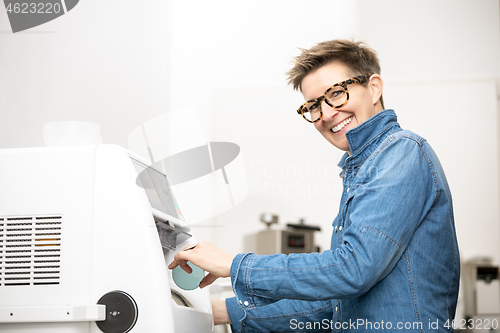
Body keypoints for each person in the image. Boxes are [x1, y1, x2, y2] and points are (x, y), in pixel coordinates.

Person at [168, 39, 460, 332]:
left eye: (336, 93)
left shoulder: (401, 152)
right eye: (314, 105)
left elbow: (352, 269)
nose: (327, 113)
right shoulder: (360, 168)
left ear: (374, 87)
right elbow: (336, 304)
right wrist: (223, 312)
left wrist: (235, 265)